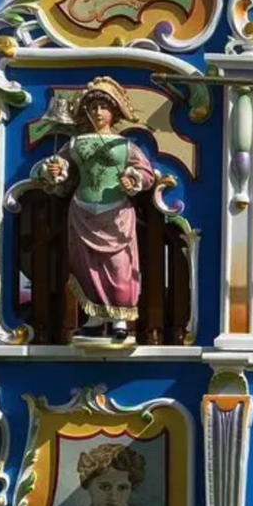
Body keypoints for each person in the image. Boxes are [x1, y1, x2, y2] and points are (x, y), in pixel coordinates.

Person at [37, 77, 156, 344]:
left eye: (104, 107)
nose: (98, 112)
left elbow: (146, 173)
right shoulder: (76, 143)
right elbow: (60, 168)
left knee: (120, 266)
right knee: (86, 266)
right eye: (93, 107)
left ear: (115, 111)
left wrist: (133, 179)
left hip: (116, 214)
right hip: (82, 211)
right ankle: (95, 318)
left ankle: (120, 319)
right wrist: (55, 169)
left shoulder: (126, 146)